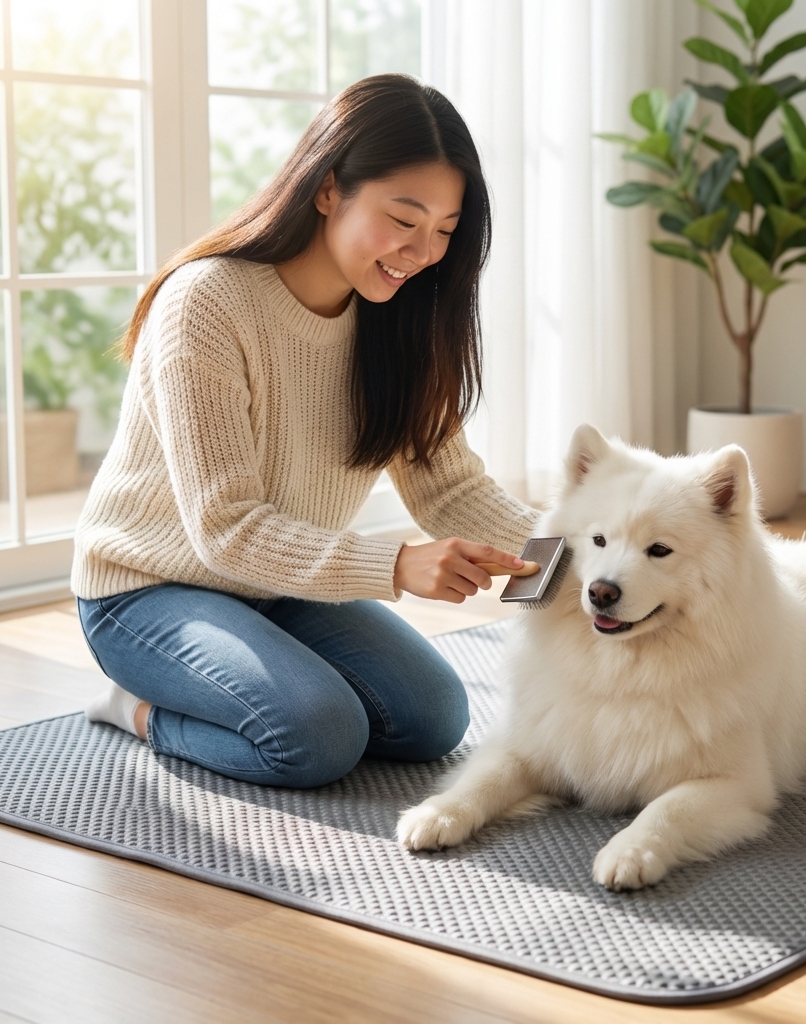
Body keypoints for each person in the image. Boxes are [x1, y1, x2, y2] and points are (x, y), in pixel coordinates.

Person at [74, 74, 539, 789]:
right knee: (318, 736)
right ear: (328, 190)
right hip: (146, 591)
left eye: (445, 231)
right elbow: (224, 529)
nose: (422, 252)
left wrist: (571, 565)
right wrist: (397, 566)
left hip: (281, 584)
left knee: (435, 718)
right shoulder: (206, 303)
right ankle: (133, 707)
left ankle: (261, 672)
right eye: (404, 219)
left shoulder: (397, 317)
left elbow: (450, 487)